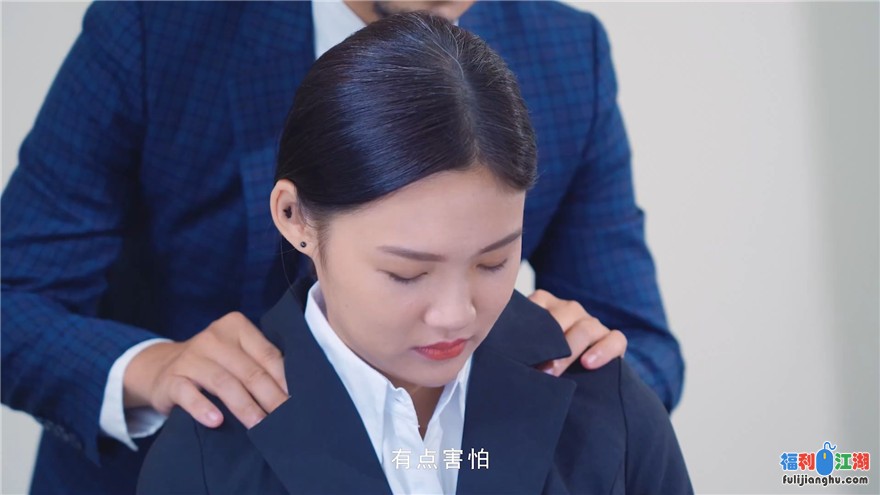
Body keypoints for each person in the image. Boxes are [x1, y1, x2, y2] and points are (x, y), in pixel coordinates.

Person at [1, 1, 682, 494]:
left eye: (494, 260)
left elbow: (643, 345)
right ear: (292, 216)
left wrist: (595, 391)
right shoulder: (156, 26)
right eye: (405, 271)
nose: (452, 313)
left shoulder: (567, 52)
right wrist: (152, 371)